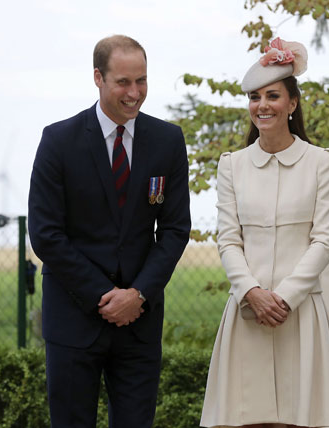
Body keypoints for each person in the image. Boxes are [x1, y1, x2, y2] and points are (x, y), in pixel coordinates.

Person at [28, 35, 191, 427]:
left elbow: (174, 229)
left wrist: (137, 295)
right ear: (98, 78)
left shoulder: (168, 141)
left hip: (140, 323)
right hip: (73, 320)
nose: (134, 93)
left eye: (142, 81)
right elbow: (46, 234)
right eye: (123, 82)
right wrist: (105, 296)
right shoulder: (58, 140)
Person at [200, 37, 329, 428]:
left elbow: (323, 240)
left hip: (299, 314)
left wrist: (283, 298)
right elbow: (229, 239)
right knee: (247, 418)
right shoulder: (231, 166)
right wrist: (251, 292)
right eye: (254, 97)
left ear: (292, 103)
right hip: (247, 311)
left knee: (302, 418)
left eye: (272, 95)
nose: (262, 105)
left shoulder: (323, 163)